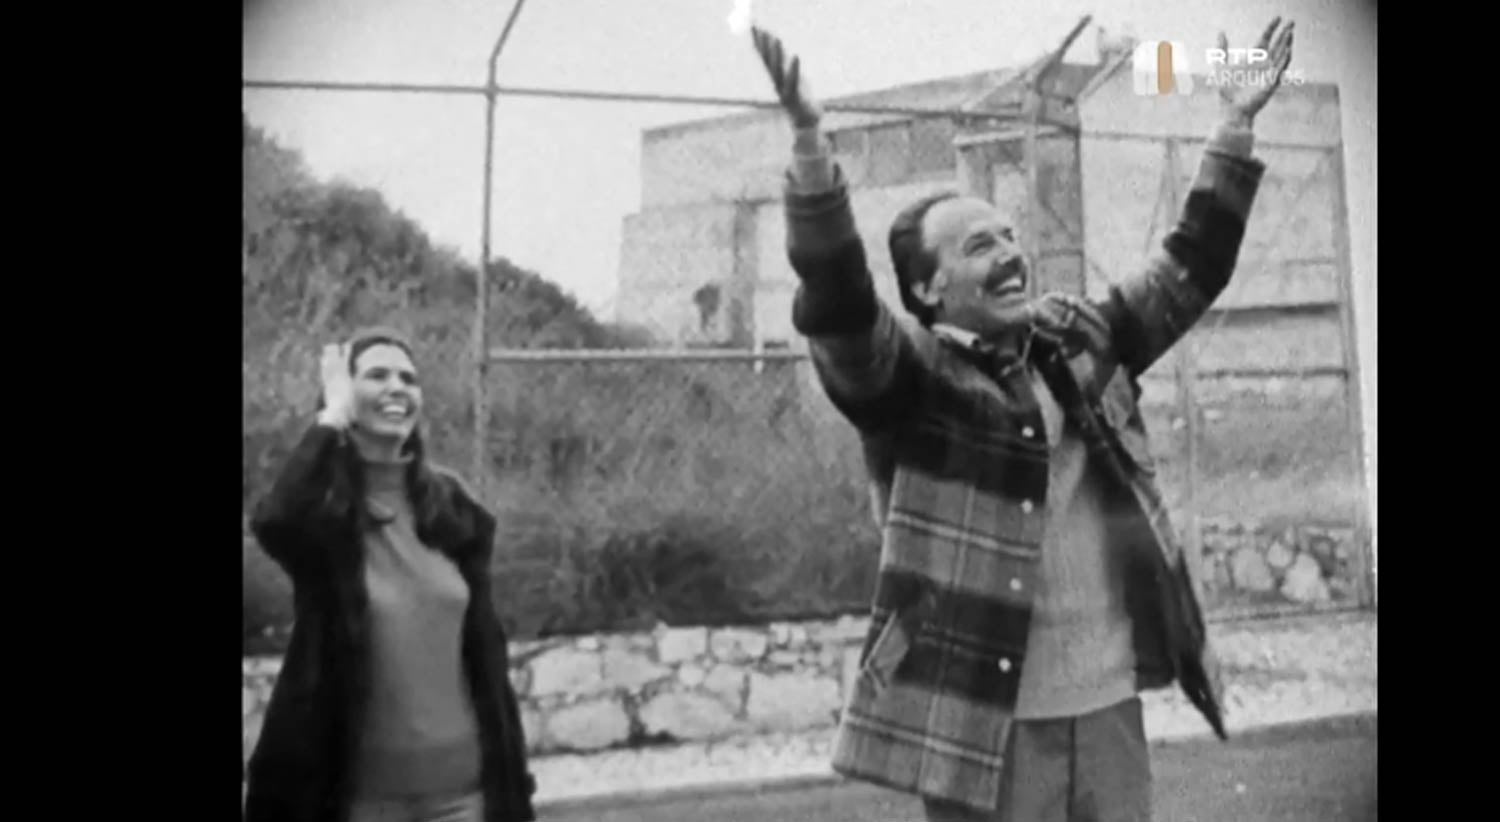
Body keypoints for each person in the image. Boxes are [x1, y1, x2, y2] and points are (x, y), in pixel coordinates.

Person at [749, 19, 1294, 822]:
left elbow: (1190, 268)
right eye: (979, 246)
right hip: (985, 728)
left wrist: (1235, 125)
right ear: (929, 289)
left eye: (1009, 235)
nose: (1010, 253)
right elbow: (839, 305)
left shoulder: (1081, 338)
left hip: (1108, 708)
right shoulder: (910, 381)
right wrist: (809, 149)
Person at [244, 327, 536, 822]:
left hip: (464, 797)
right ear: (342, 392)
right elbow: (276, 521)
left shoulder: (452, 510)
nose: (397, 387)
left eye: (408, 378)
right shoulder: (325, 514)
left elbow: (486, 657)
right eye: (377, 375)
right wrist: (331, 420)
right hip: (356, 800)